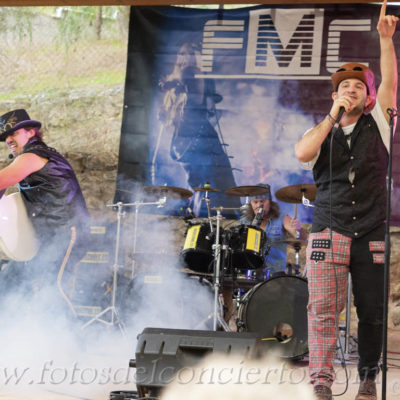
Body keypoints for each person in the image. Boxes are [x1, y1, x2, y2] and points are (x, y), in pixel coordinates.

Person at [294, 2, 397, 399]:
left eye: (358, 87)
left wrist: (385, 40)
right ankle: (321, 381)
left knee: (371, 313)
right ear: (334, 96)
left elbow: (390, 81)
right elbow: (303, 154)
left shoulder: (382, 124)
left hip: (371, 230)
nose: (351, 90)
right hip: (328, 228)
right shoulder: (320, 130)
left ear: (369, 97)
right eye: (343, 88)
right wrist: (331, 117)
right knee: (321, 311)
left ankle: (369, 378)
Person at [0, 109, 90, 315]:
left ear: (31, 132)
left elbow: (2, 180)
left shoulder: (34, 156)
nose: (9, 140)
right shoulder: (30, 158)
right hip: (50, 235)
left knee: (56, 289)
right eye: (6, 137)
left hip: (68, 231)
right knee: (10, 283)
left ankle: (74, 342)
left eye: (14, 133)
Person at [157, 42, 240, 216]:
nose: (193, 58)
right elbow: (194, 98)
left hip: (191, 140)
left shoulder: (179, 81)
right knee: (215, 184)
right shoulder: (190, 73)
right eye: (188, 54)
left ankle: (204, 218)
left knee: (204, 185)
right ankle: (210, 221)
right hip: (197, 141)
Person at [239, 183, 305, 279]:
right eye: (255, 202)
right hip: (251, 270)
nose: (259, 205)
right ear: (251, 204)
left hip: (276, 273)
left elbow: (301, 237)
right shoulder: (245, 221)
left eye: (262, 201)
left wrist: (299, 228)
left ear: (269, 202)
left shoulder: (282, 218)